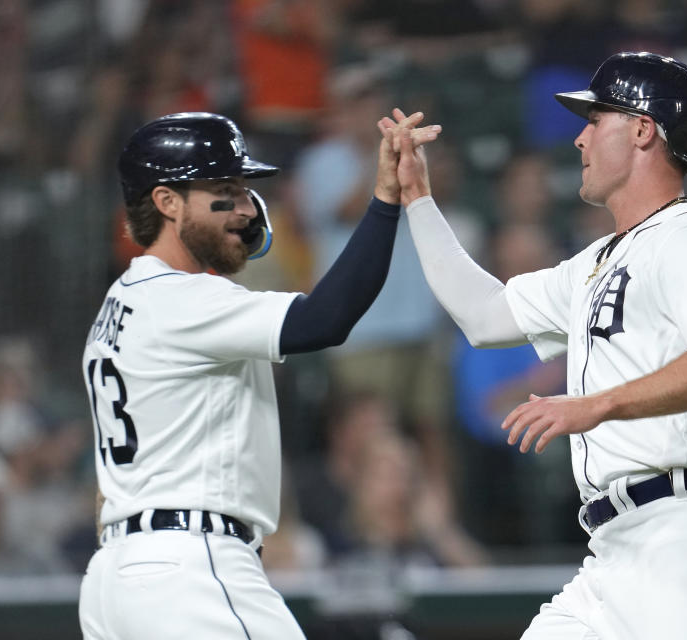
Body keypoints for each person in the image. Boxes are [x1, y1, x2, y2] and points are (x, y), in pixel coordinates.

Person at [383, 51, 687, 639]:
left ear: (644, 130)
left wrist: (597, 403)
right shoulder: (597, 260)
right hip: (614, 554)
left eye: (597, 120)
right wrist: (419, 201)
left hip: (684, 539)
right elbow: (486, 317)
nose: (580, 140)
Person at [78, 110, 440, 639]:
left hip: (118, 576)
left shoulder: (118, 305)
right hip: (191, 568)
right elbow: (325, 319)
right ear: (167, 201)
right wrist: (385, 198)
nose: (246, 208)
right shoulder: (184, 299)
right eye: (224, 190)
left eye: (245, 190)